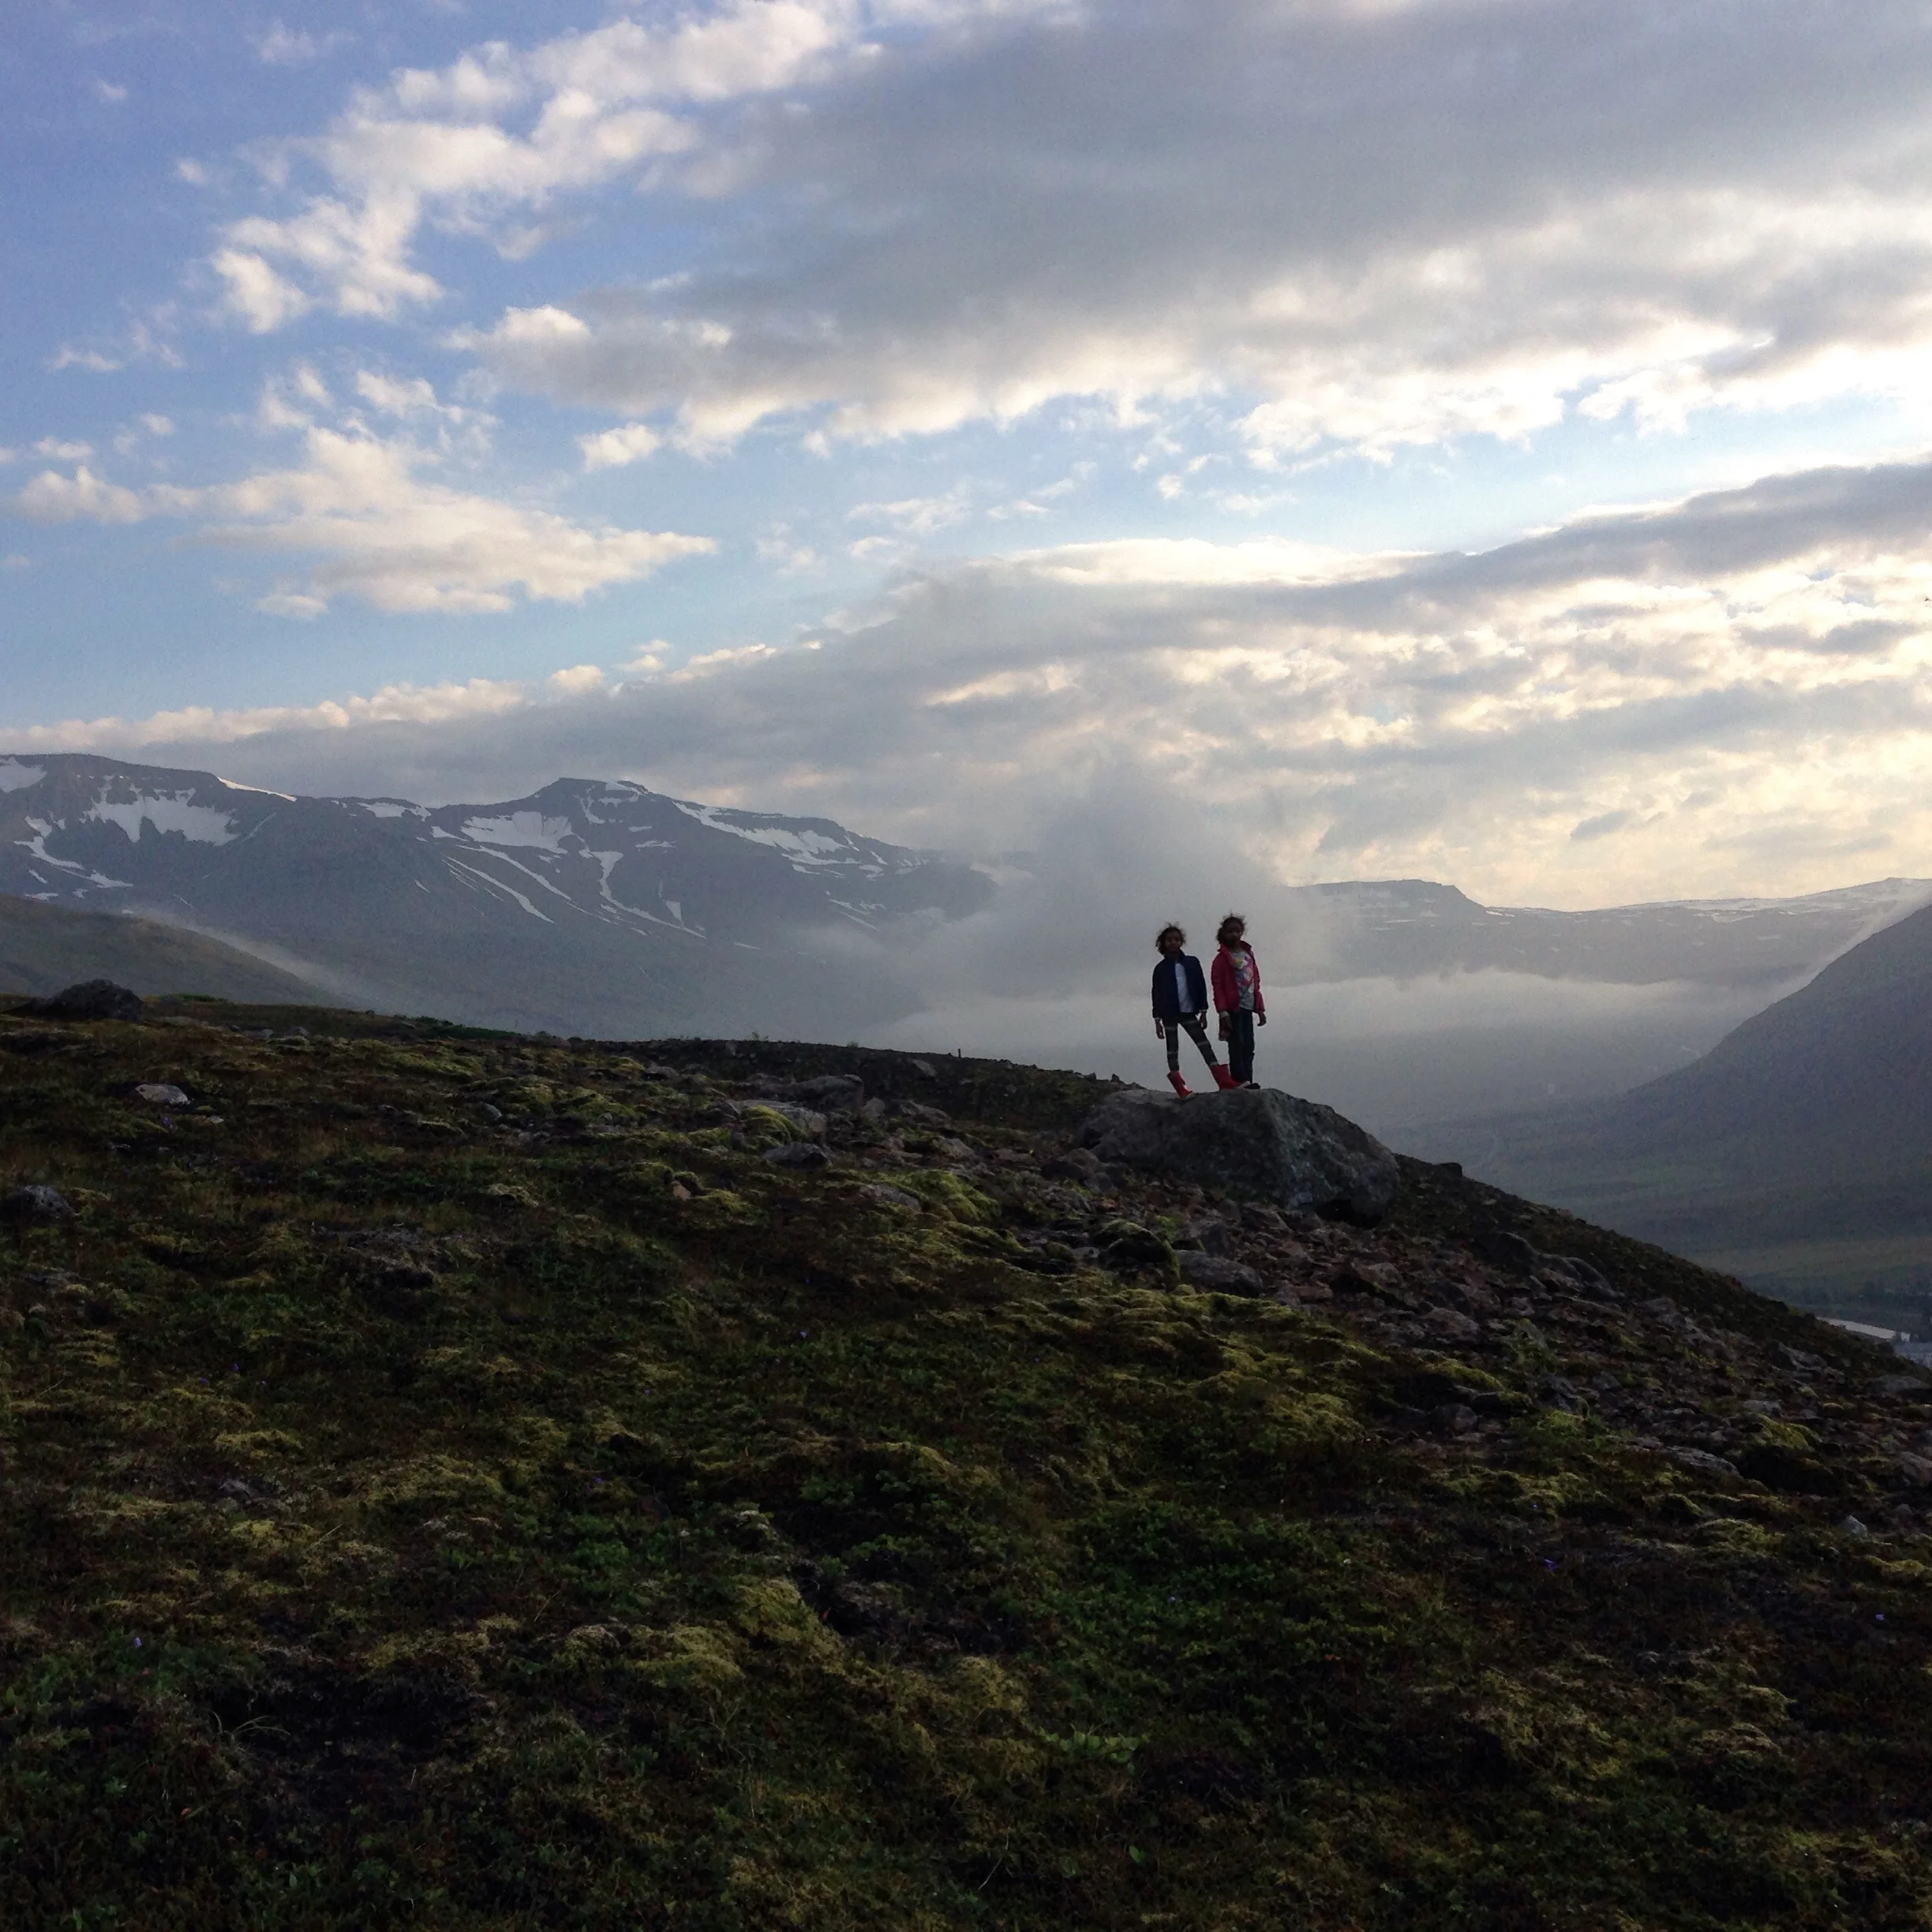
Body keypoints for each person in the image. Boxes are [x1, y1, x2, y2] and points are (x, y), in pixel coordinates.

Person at [1151, 923, 1236, 1096]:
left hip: (1189, 1011)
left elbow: (1200, 986)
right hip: (1169, 1014)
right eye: (1169, 940)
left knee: (1204, 1044)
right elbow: (1156, 993)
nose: (1173, 943)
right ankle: (1180, 1087)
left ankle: (1222, 1079)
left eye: (1176, 939)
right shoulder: (1160, 969)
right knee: (1172, 1049)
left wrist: (1204, 1011)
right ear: (1163, 943)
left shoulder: (1192, 963)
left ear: (1182, 941)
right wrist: (1157, 1019)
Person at [1211, 912, 1267, 1088]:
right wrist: (1222, 1011)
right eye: (1230, 932)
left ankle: (1248, 1079)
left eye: (1237, 931)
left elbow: (1255, 982)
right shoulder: (1220, 960)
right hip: (1233, 1008)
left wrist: (1260, 1007)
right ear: (1224, 934)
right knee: (1237, 1043)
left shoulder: (1248, 955)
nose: (1234, 935)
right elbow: (1217, 986)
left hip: (1249, 1006)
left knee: (1248, 1045)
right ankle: (1239, 1079)